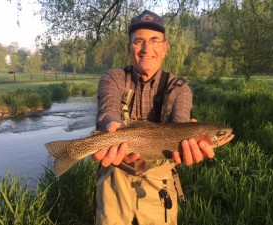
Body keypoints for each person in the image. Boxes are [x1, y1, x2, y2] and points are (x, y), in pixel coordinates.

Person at [92, 10, 215, 225]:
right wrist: (111, 126)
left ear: (165, 47)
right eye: (139, 41)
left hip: (160, 178)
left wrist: (187, 141)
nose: (147, 49)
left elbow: (179, 126)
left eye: (154, 40)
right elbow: (108, 112)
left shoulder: (180, 88)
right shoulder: (113, 78)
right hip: (115, 175)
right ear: (129, 48)